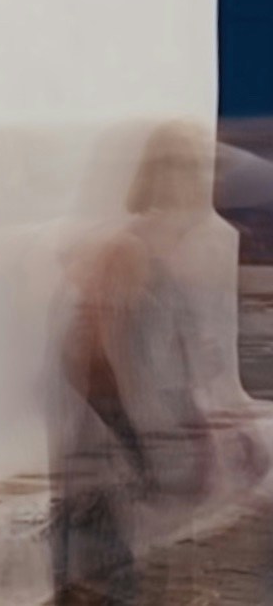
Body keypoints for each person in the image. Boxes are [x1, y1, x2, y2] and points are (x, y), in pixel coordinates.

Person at [51, 123, 269, 604]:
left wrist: (210, 405)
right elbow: (98, 353)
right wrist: (144, 431)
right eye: (177, 165)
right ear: (154, 173)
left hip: (154, 416)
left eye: (198, 166)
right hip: (116, 422)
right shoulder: (129, 248)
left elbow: (187, 342)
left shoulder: (200, 244)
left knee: (156, 538)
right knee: (116, 559)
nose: (192, 178)